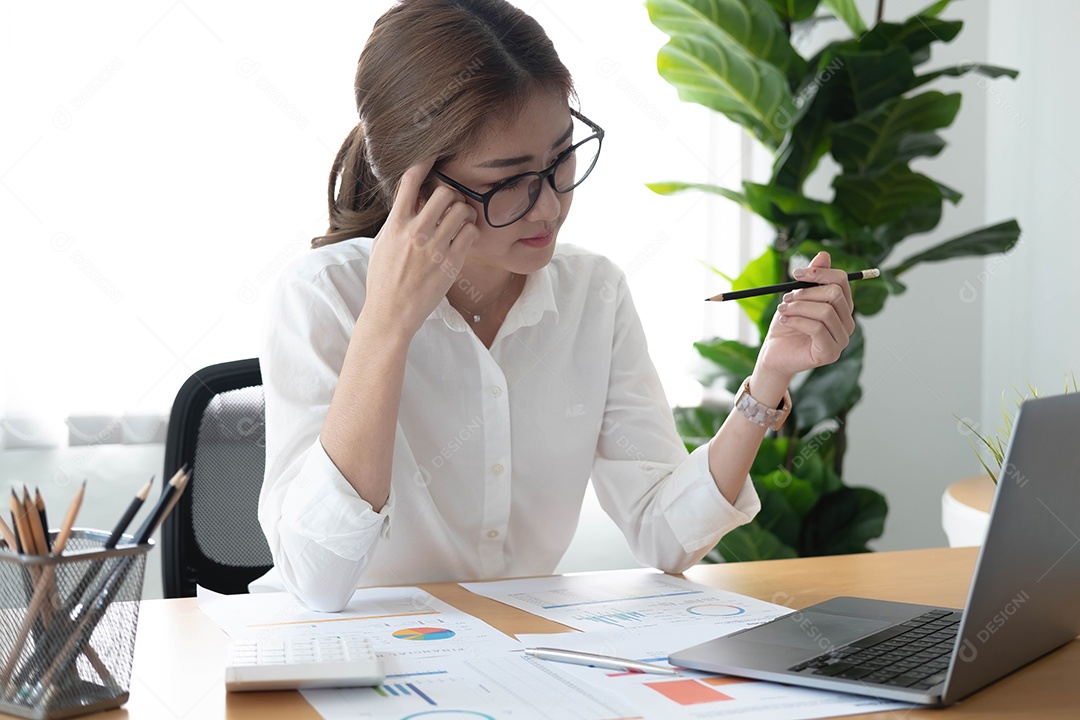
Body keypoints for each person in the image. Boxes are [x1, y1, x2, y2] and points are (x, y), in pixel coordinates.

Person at [257, 0, 856, 612]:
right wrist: (386, 324)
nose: (548, 208)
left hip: (519, 659)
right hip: (349, 665)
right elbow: (318, 584)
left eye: (560, 157)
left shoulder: (592, 293)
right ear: (413, 184)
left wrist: (769, 378)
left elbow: (664, 534)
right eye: (507, 180)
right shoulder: (324, 295)